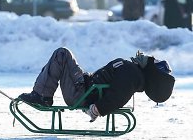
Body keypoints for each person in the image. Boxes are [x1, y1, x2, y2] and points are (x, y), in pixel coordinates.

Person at [18, 47, 175, 122]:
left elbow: (118, 95)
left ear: (152, 71)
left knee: (62, 54)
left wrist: (99, 108)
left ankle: (41, 96)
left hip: (81, 94)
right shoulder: (134, 73)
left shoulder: (132, 74)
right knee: (63, 55)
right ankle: (42, 94)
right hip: (85, 87)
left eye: (152, 61)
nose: (147, 57)